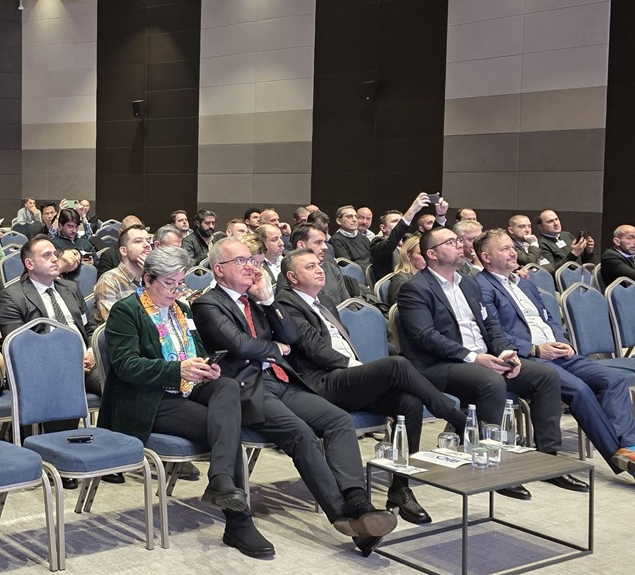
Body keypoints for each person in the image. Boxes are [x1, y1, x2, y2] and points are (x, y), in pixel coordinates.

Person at [191, 238, 397, 556]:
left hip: (283, 380)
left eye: (252, 260)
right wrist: (275, 348)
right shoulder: (208, 304)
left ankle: (358, 499)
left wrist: (268, 299)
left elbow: (290, 336)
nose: (250, 267)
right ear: (219, 269)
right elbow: (240, 345)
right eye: (240, 261)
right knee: (300, 434)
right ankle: (345, 518)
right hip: (247, 389)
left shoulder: (257, 299)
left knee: (338, 420)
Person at [97, 246, 274, 558]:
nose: (176, 290)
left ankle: (221, 482)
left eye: (180, 283)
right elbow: (126, 366)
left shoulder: (182, 309)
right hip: (149, 399)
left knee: (226, 385)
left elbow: (197, 349)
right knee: (226, 428)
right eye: (169, 283)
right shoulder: (127, 311)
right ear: (148, 279)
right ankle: (238, 521)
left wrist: (207, 366)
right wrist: (176, 369)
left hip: (188, 386)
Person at [277, 248, 467, 524]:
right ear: (292, 277)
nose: (319, 269)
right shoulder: (286, 303)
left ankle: (400, 488)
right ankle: (456, 418)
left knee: (409, 403)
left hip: (345, 379)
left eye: (318, 264)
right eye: (310, 267)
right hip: (320, 382)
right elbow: (314, 350)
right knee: (396, 364)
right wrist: (358, 368)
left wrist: (359, 369)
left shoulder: (325, 301)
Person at [474, 229, 635, 487]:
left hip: (558, 351)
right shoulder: (481, 286)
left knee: (613, 380)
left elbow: (548, 317)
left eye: (512, 247)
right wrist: (536, 349)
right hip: (529, 357)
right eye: (505, 249)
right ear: (486, 257)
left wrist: (563, 342)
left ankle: (633, 449)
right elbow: (493, 333)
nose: (514, 252)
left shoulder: (524, 282)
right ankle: (630, 462)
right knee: (580, 390)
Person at [396, 226, 586, 496]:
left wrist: (506, 352)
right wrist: (475, 357)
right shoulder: (414, 289)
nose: (459, 244)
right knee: (491, 382)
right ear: (432, 254)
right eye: (450, 242)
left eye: (457, 240)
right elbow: (425, 337)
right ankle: (494, 466)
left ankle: (549, 458)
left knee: (545, 377)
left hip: (484, 357)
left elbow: (491, 326)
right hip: (438, 365)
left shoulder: (469, 283)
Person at [0, 236, 101, 488]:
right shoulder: (12, 295)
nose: (55, 258)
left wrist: (91, 351)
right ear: (29, 263)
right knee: (61, 383)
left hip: (86, 362)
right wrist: (67, 362)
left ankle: (105, 448)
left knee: (116, 380)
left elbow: (88, 328)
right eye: (46, 255)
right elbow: (19, 346)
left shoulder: (70, 288)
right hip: (44, 368)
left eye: (55, 254)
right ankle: (62, 458)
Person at [370, 193, 435, 282]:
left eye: (400, 221)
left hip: (418, 278)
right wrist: (412, 211)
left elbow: (431, 241)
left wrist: (441, 216)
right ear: (383, 228)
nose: (398, 224)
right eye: (394, 221)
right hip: (397, 282)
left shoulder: (408, 238)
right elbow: (391, 242)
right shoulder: (377, 243)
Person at [93, 224, 151, 323]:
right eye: (138, 241)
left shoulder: (150, 279)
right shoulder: (109, 281)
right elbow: (117, 324)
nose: (147, 245)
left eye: (148, 241)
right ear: (124, 251)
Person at [50, 208, 98, 280]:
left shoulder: (84, 242)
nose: (74, 230)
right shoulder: (53, 244)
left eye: (76, 227)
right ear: (60, 225)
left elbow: (98, 263)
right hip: (65, 281)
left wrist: (93, 263)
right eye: (70, 226)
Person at [387, 236, 425, 307]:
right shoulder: (400, 280)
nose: (426, 257)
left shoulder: (426, 275)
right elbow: (397, 309)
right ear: (408, 255)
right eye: (421, 254)